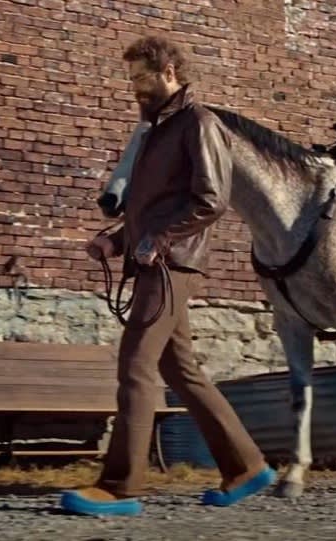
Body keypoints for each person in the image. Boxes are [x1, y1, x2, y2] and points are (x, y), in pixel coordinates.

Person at [59, 35, 276, 517]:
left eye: (142, 77)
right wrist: (116, 240)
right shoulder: (157, 130)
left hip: (172, 263)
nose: (134, 87)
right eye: (131, 78)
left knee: (136, 366)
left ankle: (119, 488)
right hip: (155, 260)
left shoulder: (199, 123)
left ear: (169, 72)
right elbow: (154, 207)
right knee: (181, 370)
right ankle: (246, 467)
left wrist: (158, 241)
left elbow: (211, 200)